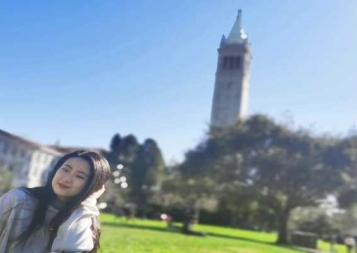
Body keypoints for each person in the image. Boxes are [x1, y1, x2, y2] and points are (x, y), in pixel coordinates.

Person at [0, 150, 111, 253]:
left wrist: (88, 201)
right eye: (65, 169)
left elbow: (72, 248)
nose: (67, 178)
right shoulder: (19, 199)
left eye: (79, 176)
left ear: (93, 186)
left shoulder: (83, 217)